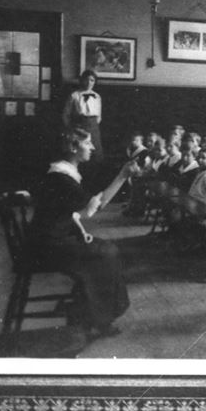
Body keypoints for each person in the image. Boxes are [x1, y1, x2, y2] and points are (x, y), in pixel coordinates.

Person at [28, 128, 135, 340]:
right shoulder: (61, 178)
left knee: (106, 250)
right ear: (73, 148)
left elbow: (73, 213)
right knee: (106, 254)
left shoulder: (62, 174)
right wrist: (123, 175)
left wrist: (80, 231)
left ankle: (90, 311)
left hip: (52, 238)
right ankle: (95, 317)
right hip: (48, 246)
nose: (93, 148)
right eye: (88, 143)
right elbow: (96, 206)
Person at [62, 70, 104, 185]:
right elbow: (66, 115)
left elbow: (99, 116)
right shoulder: (74, 95)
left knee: (96, 156)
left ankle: (93, 184)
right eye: (86, 79)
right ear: (82, 80)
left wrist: (93, 127)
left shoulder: (97, 96)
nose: (89, 82)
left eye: (92, 80)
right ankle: (79, 183)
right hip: (79, 127)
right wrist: (72, 129)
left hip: (94, 128)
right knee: (80, 154)